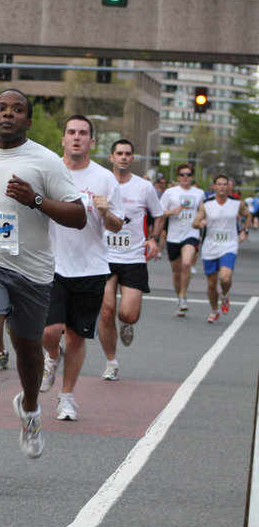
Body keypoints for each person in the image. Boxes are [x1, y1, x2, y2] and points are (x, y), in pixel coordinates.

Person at [0, 89, 85, 483]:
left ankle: (29, 408)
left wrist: (36, 200)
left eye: (17, 110)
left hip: (32, 272)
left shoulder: (45, 161)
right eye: (0, 109)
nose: (8, 114)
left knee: (29, 350)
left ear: (28, 121)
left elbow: (78, 216)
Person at [39, 116, 123, 421]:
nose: (77, 137)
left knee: (75, 337)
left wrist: (105, 211)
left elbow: (115, 225)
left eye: (83, 133)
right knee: (49, 331)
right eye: (71, 132)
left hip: (90, 267)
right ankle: (52, 354)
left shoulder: (105, 178)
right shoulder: (48, 172)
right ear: (63, 139)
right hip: (50, 264)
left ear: (92, 141)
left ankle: (67, 397)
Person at [96, 139, 164, 381]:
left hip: (134, 256)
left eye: (128, 153)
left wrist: (154, 239)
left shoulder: (144, 187)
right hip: (104, 256)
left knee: (128, 313)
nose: (123, 157)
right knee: (106, 311)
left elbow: (159, 215)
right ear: (112, 157)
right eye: (119, 153)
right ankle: (111, 361)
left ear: (132, 158)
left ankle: (126, 324)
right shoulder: (101, 182)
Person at [193, 174, 252, 323]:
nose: (222, 187)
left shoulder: (237, 203)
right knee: (212, 283)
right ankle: (214, 310)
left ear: (229, 186)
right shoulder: (206, 204)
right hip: (210, 247)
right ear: (214, 186)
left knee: (225, 278)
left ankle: (224, 296)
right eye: (219, 184)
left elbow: (248, 216)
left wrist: (245, 231)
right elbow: (195, 222)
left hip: (229, 245)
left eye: (225, 184)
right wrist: (200, 224)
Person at [158, 163, 206, 316]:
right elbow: (159, 212)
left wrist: (202, 221)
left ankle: (183, 295)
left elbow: (203, 211)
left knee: (186, 264)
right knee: (176, 272)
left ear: (192, 177)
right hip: (174, 236)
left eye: (188, 174)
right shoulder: (170, 192)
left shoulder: (199, 193)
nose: (186, 177)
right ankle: (179, 298)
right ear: (178, 176)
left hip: (191, 233)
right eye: (183, 174)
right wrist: (172, 211)